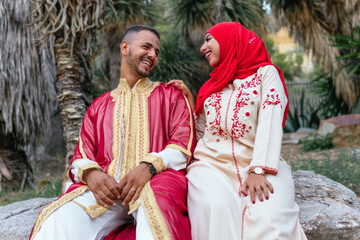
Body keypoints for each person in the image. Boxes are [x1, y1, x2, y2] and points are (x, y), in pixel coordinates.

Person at [29, 25, 196, 240]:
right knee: (57, 221)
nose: (153, 55)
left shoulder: (171, 95)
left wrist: (149, 167)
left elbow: (183, 145)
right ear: (125, 48)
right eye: (146, 47)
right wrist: (92, 174)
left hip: (154, 186)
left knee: (155, 213)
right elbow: (81, 155)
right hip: (107, 195)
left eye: (156, 51)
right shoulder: (99, 106)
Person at [168, 22, 307, 239]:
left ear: (228, 39)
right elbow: (202, 134)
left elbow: (271, 118)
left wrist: (258, 170)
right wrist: (189, 102)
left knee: (270, 220)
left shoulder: (265, 74)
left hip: (260, 163)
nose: (203, 48)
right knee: (215, 209)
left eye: (208, 39)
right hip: (211, 167)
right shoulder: (212, 87)